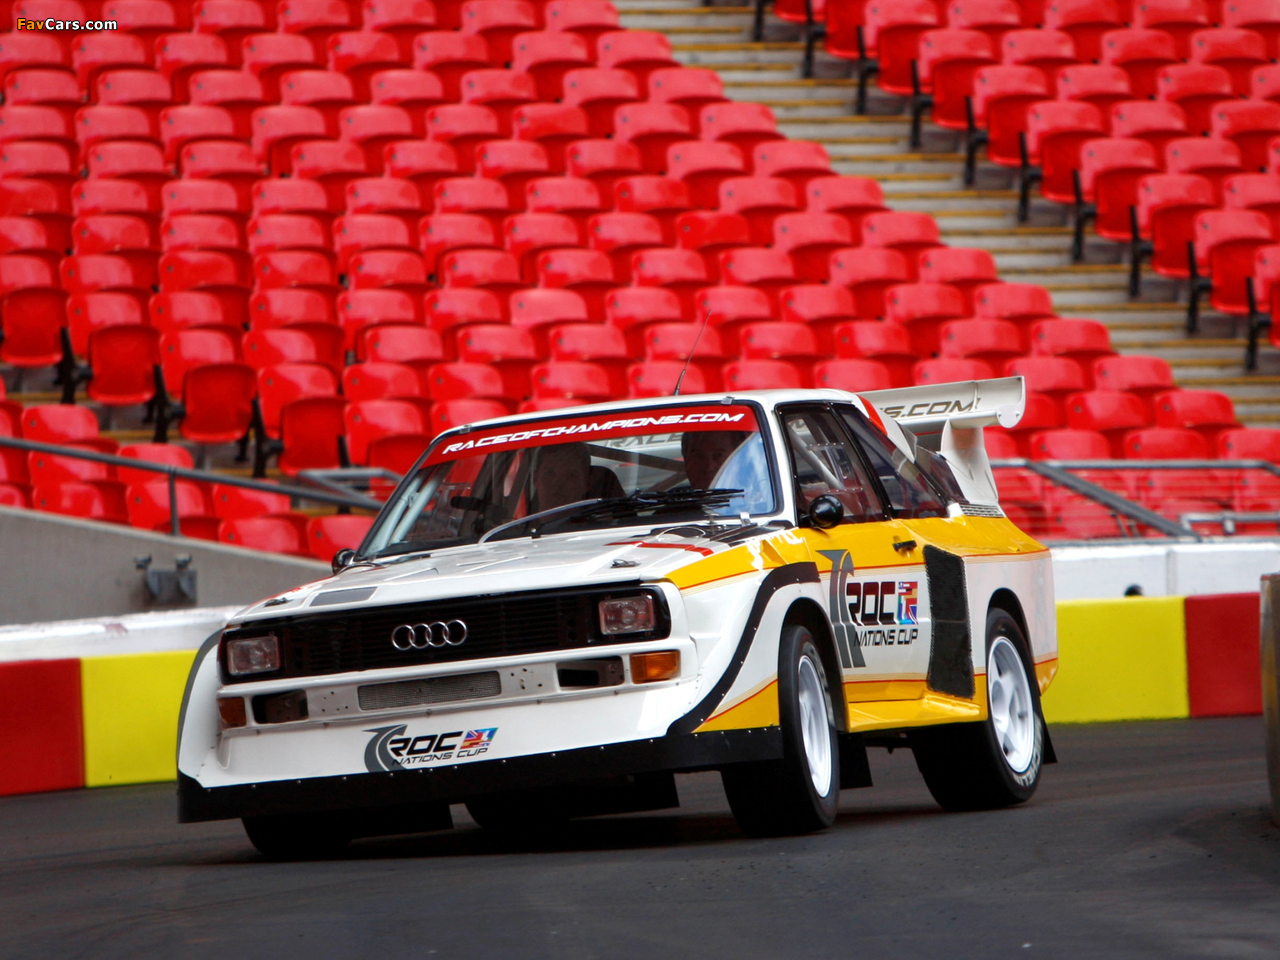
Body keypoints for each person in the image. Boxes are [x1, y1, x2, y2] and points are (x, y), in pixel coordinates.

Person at [529, 443, 624, 512]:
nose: (557, 485)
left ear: (587, 483)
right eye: (549, 474)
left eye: (570, 476)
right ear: (535, 479)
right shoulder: (516, 532)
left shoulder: (606, 531)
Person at [681, 430, 751, 490]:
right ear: (686, 460)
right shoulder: (672, 503)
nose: (709, 467)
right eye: (698, 456)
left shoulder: (756, 503)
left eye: (719, 455)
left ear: (739, 460)